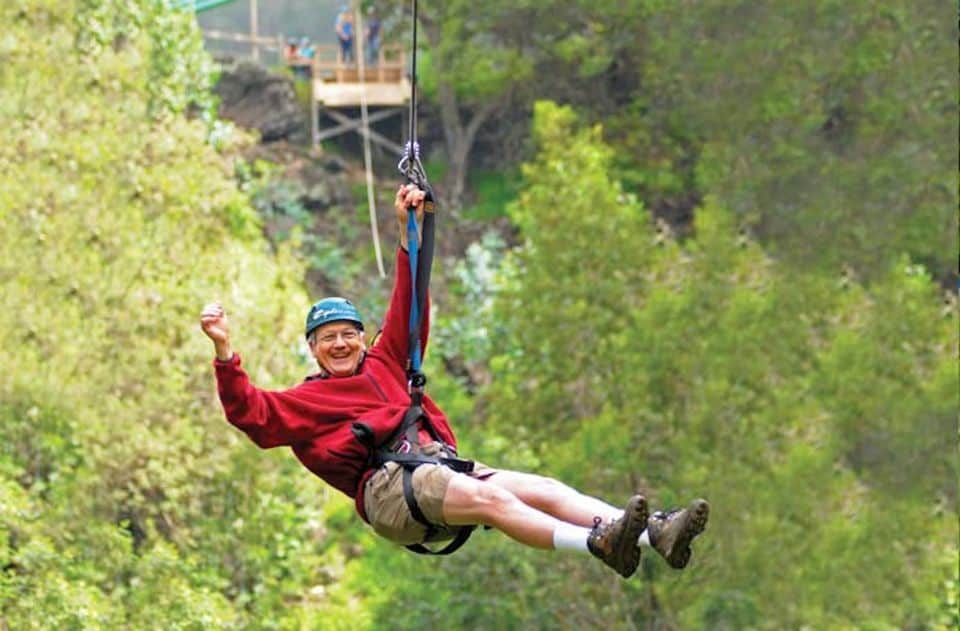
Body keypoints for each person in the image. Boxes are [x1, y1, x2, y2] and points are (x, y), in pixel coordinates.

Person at [200, 185, 709, 578]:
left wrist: (409, 230)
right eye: (327, 338)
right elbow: (253, 415)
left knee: (542, 488)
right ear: (312, 348)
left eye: (348, 335)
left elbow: (409, 300)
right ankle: (597, 543)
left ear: (362, 338)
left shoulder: (385, 361)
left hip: (433, 468)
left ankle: (652, 534)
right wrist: (226, 351)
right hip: (388, 491)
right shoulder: (307, 401)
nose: (339, 344)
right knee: (493, 502)